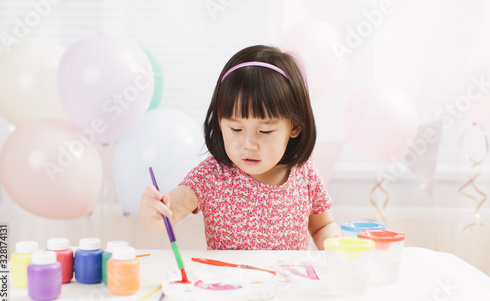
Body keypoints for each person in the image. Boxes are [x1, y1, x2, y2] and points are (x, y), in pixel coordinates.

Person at [140, 45, 340, 250]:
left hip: (286, 281)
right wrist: (153, 213)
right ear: (219, 123)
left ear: (294, 127)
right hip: (228, 282)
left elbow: (322, 226)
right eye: (236, 129)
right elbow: (167, 214)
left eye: (264, 131)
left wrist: (337, 248)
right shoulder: (210, 176)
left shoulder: (304, 173)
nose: (249, 144)